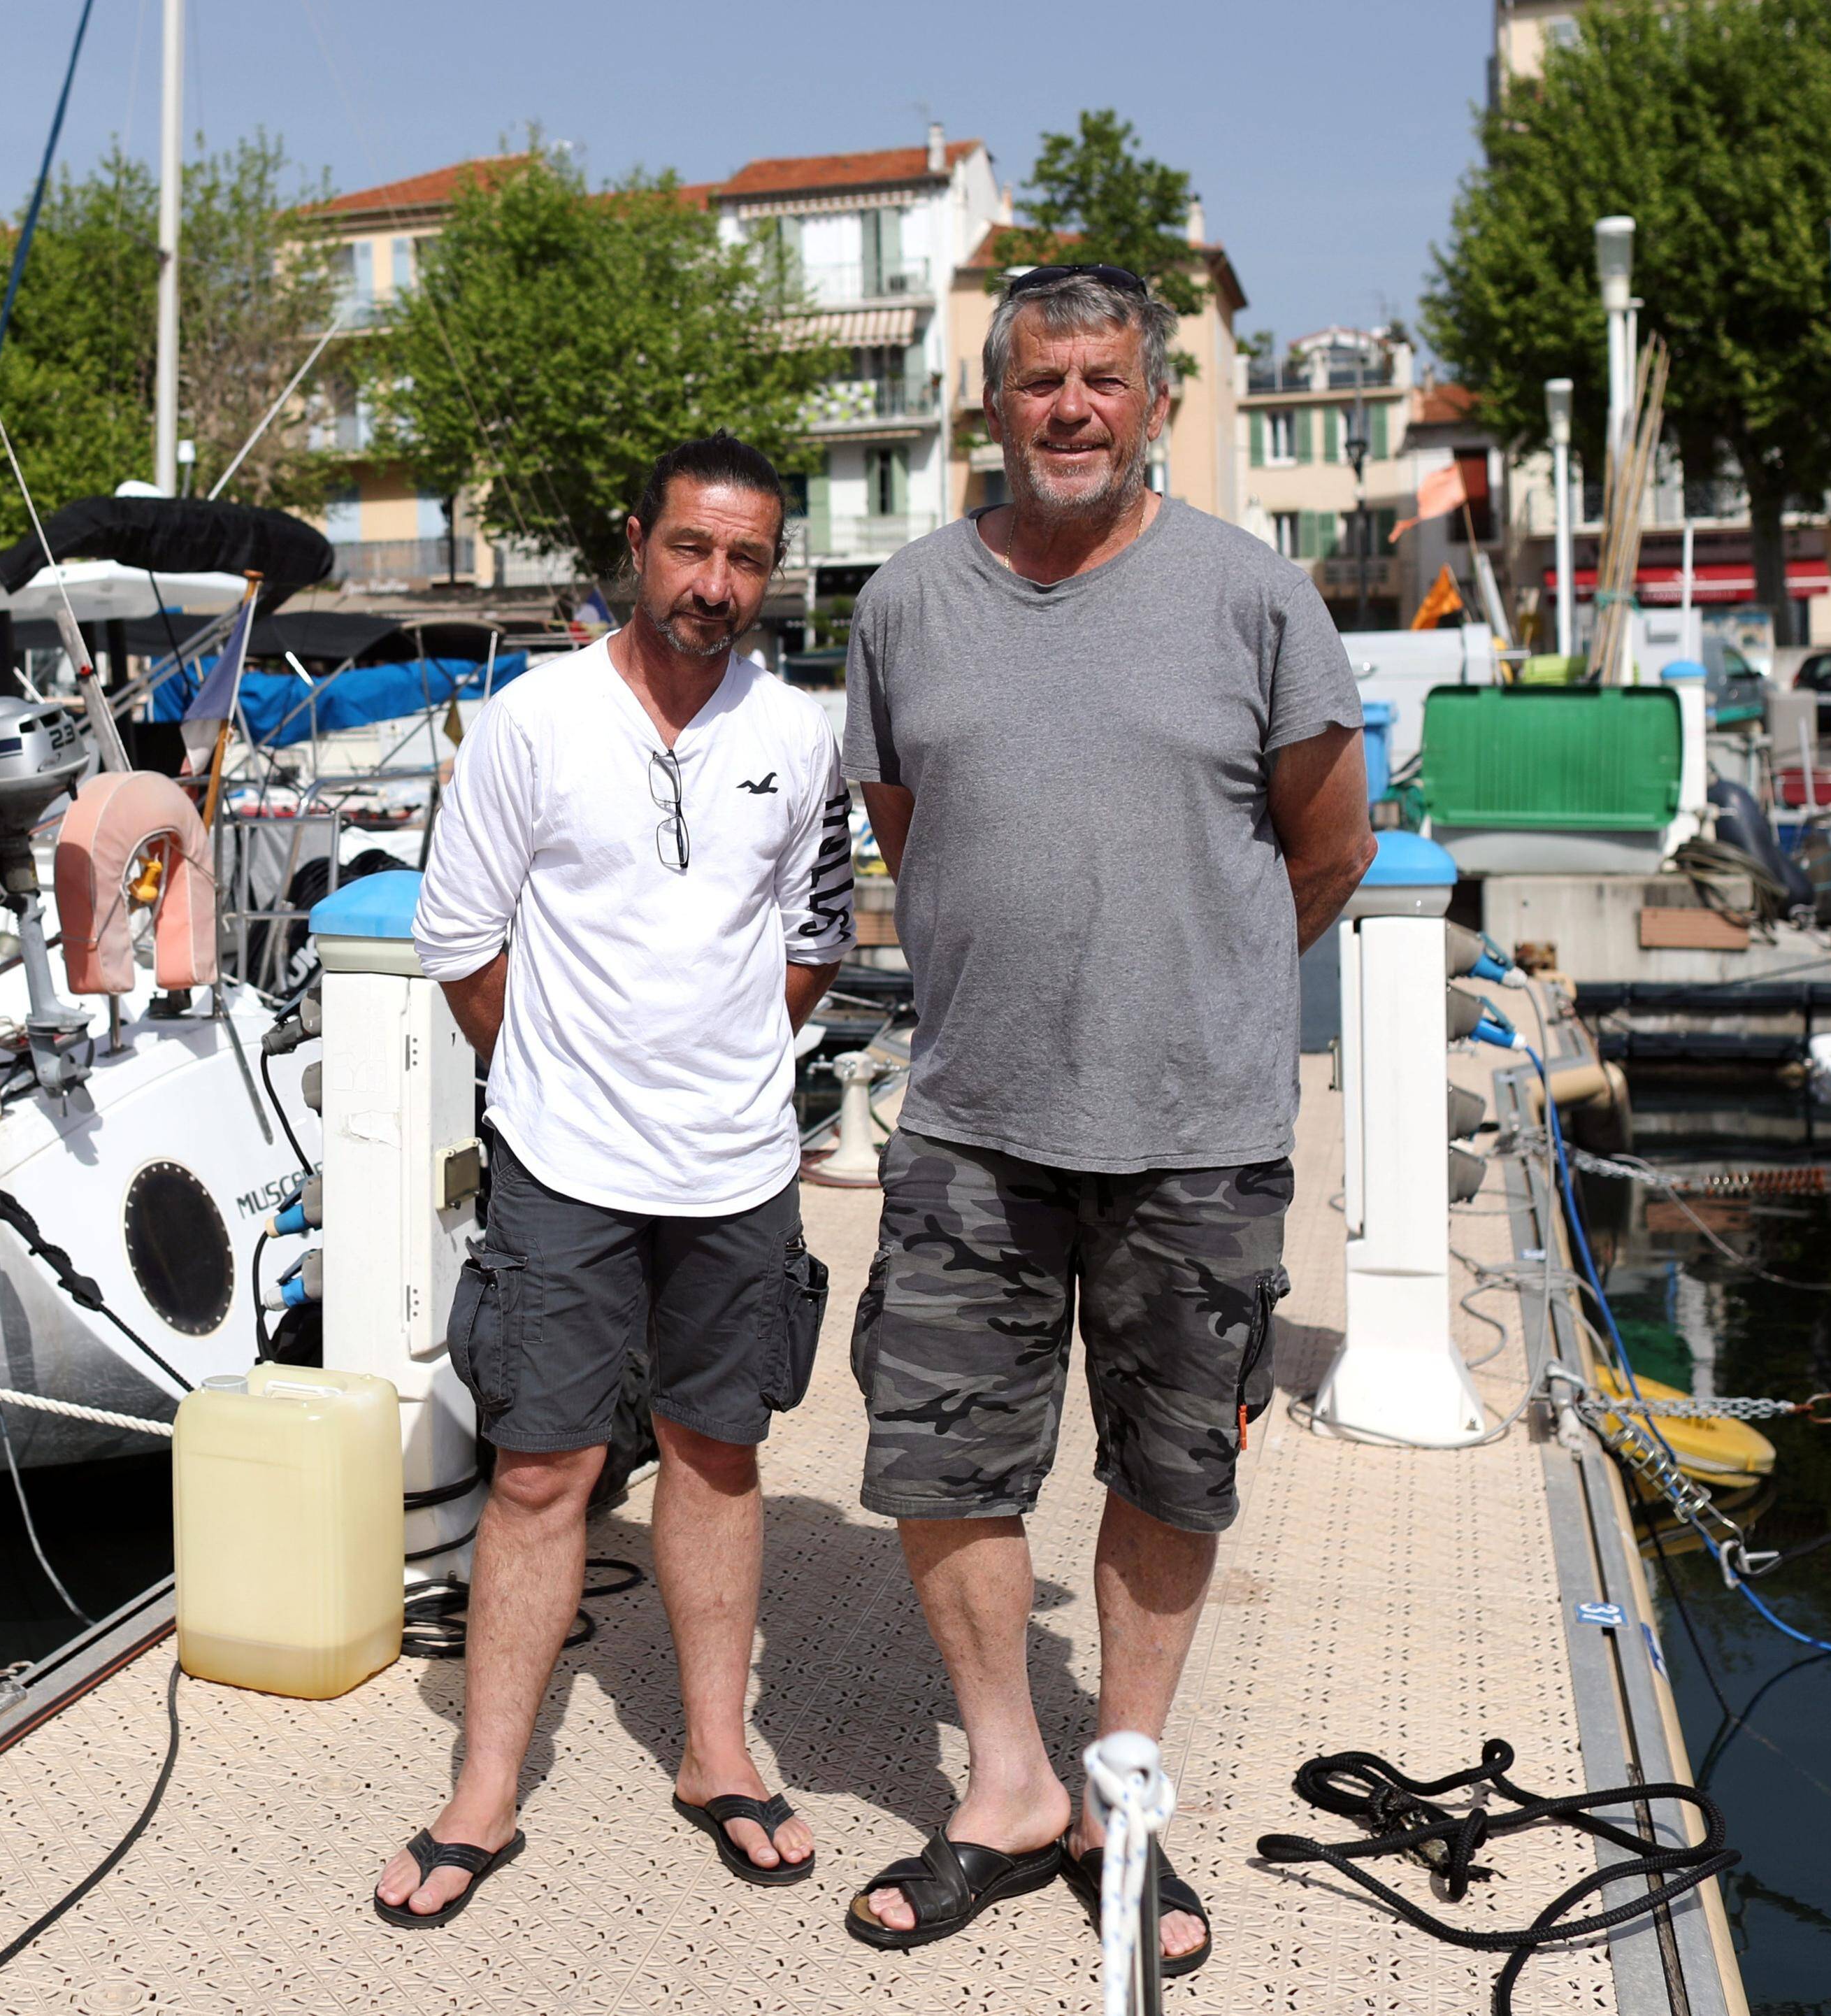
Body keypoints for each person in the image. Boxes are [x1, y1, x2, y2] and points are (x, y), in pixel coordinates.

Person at [835, 264, 1374, 1975]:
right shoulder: (906, 603)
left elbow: (1331, 842)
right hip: (972, 1121)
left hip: (1197, 1134)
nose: (1070, 405)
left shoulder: (1255, 595)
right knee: (941, 1456)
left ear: (1152, 401)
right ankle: (1005, 1782)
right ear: (989, 407)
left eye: (1101, 378)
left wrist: (1198, 994)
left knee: (1172, 1471)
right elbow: (909, 829)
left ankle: (1122, 1794)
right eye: (1038, 379)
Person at [371, 434, 854, 1926]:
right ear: (636, 542)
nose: (716, 584)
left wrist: (708, 1069)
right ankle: (484, 1789)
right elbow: (461, 938)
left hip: (736, 1165)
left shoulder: (801, 733)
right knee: (538, 1469)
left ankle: (717, 1750)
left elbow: (812, 936)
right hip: (561, 1166)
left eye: (748, 559)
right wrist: (566, 1081)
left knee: (715, 1454)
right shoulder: (532, 721)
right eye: (692, 549)